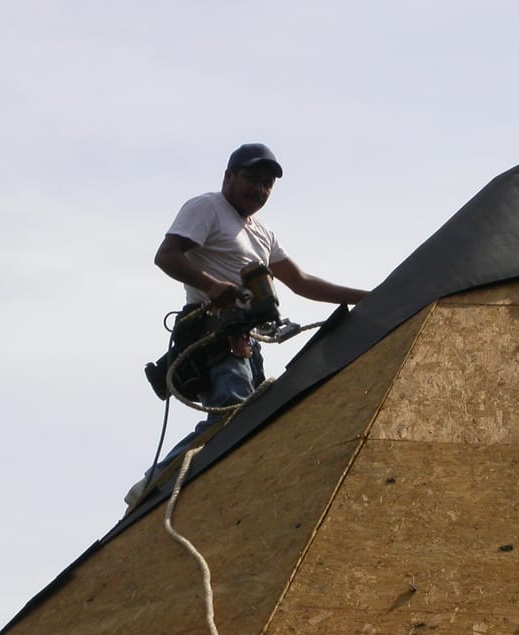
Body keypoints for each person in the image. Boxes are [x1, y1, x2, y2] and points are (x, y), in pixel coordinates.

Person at [151, 142, 367, 467]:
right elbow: (166, 256)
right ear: (228, 176)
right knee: (232, 420)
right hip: (216, 336)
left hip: (244, 343)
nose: (260, 189)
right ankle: (158, 482)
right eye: (252, 178)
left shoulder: (263, 234)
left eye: (267, 183)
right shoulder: (207, 207)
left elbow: (301, 282)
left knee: (251, 421)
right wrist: (211, 286)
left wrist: (365, 297)